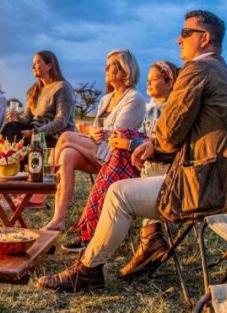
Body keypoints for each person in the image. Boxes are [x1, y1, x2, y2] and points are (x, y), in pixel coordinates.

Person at [37, 10, 227, 292]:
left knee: (119, 193)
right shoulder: (222, 71)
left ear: (204, 39)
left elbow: (168, 135)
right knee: (142, 171)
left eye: (186, 33)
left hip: (211, 188)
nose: (179, 39)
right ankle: (149, 238)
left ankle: (88, 270)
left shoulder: (197, 71)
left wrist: (145, 145)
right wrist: (151, 145)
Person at [63, 61, 179, 272]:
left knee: (72, 142)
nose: (149, 83)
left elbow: (165, 146)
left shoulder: (171, 109)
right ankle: (146, 235)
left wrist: (127, 143)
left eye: (154, 79)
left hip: (164, 173)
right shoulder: (149, 108)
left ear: (169, 82)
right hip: (144, 166)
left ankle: (93, 236)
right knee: (77, 153)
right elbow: (146, 140)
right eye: (148, 80)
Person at [42, 49, 146, 231]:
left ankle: (45, 186)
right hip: (99, 154)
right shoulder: (107, 98)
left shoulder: (135, 99)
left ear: (124, 70)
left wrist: (93, 130)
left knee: (66, 136)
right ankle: (58, 219)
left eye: (111, 65)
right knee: (67, 154)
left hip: (118, 159)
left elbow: (117, 135)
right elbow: (97, 132)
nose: (105, 68)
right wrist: (92, 131)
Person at [1, 50, 76, 148]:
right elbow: (27, 119)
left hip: (53, 136)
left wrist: (34, 133)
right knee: (10, 127)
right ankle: (7, 159)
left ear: (49, 65)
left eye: (37, 63)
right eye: (33, 64)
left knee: (18, 141)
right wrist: (17, 118)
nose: (32, 67)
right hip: (34, 130)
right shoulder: (34, 90)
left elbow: (61, 122)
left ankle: (12, 159)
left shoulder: (62, 88)